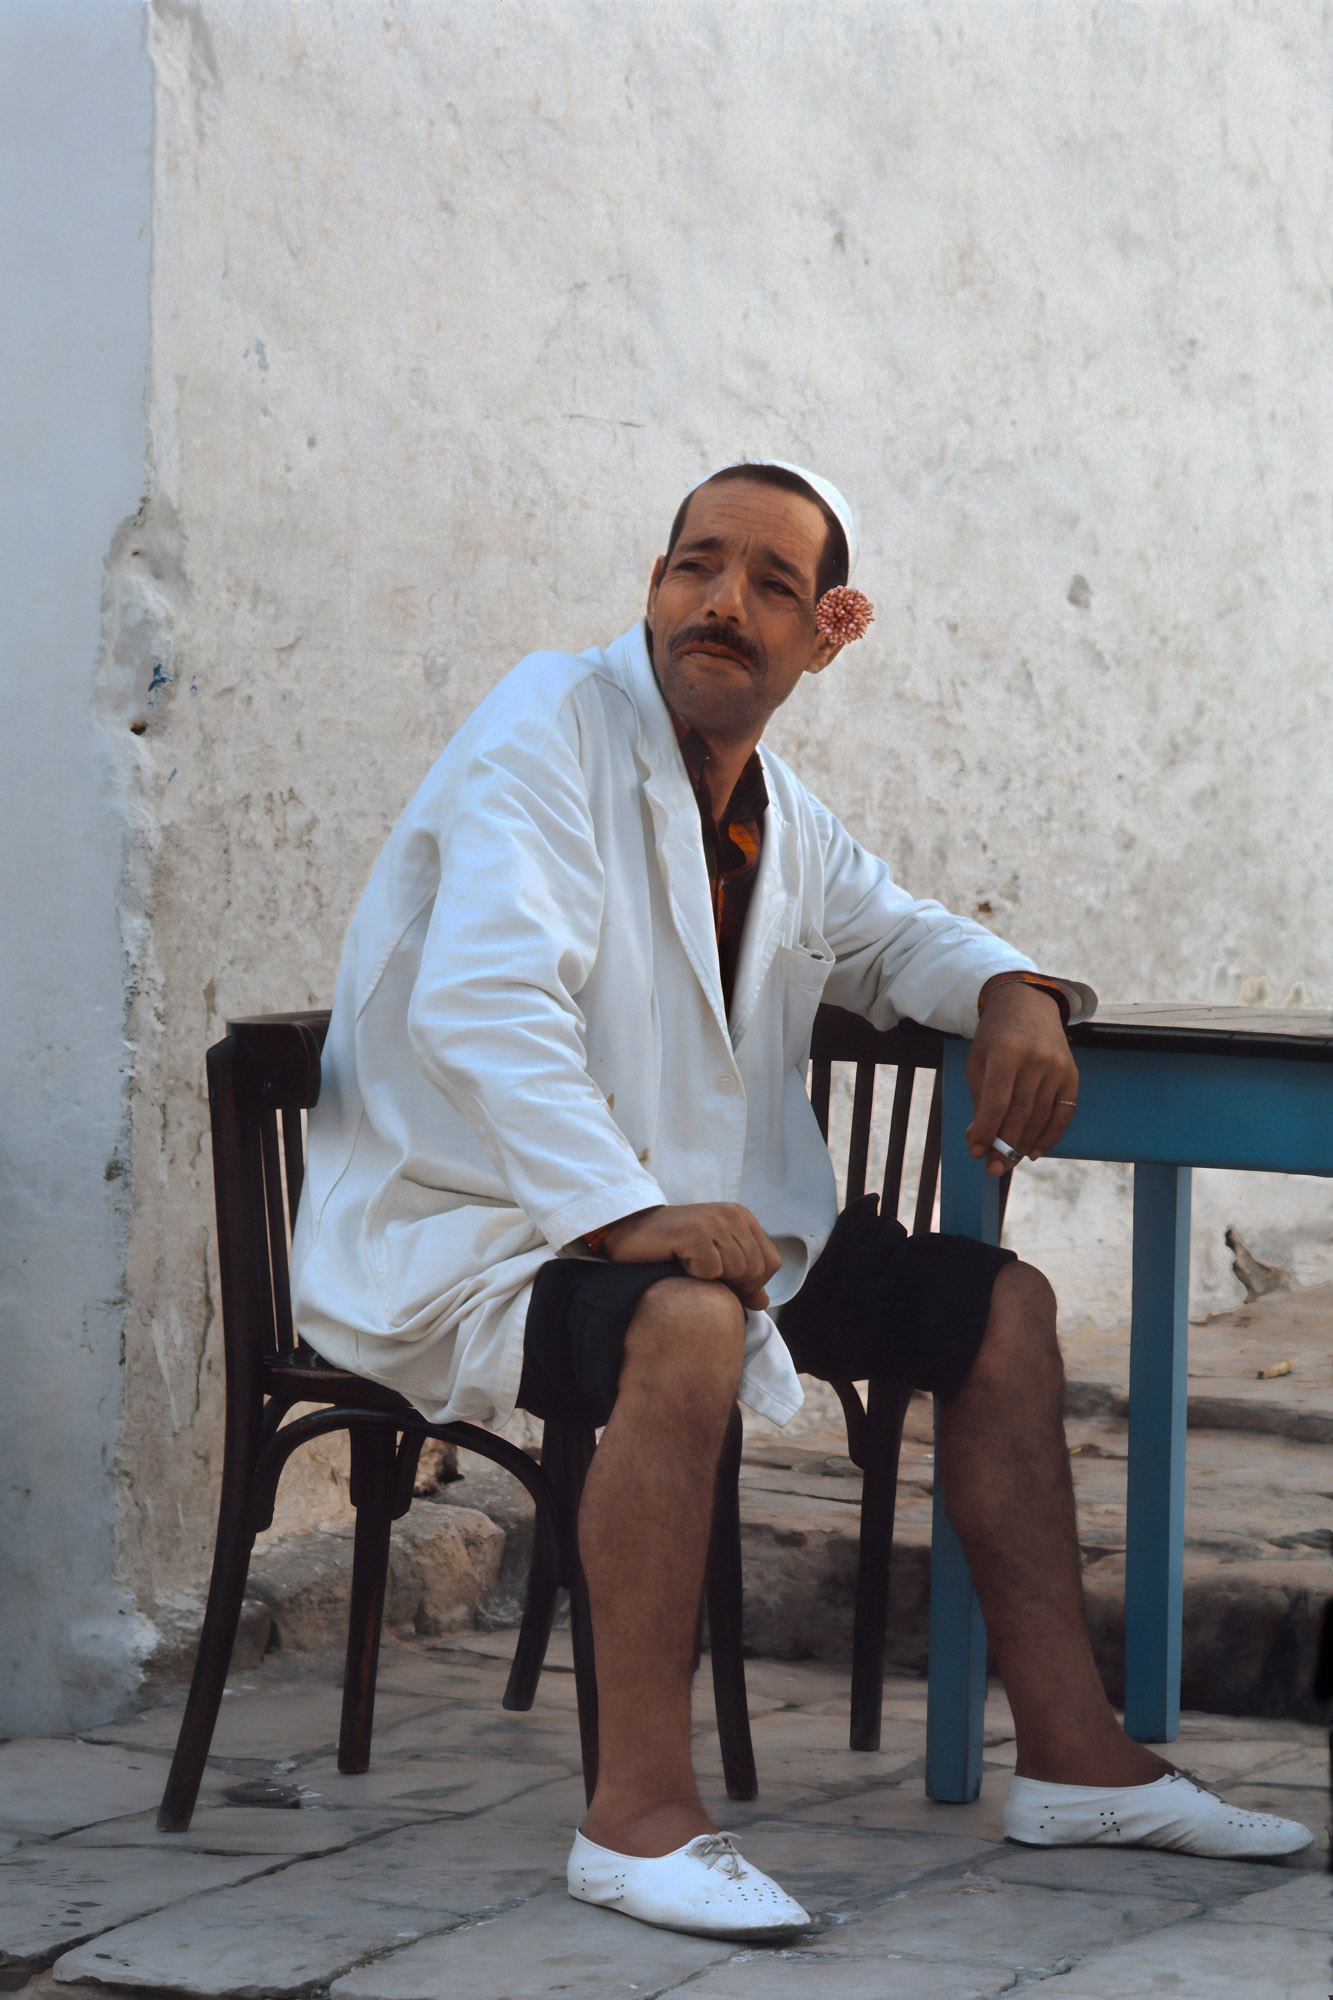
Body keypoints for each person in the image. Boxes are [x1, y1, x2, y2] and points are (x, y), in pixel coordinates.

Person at [291, 460, 1311, 1942]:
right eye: (694, 566)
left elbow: (896, 934)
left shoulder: (779, 816)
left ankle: (1078, 1762)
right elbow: (484, 1002)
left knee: (999, 1312)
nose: (721, 603)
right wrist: (622, 1214)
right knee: (689, 1323)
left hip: (698, 1228)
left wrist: (1012, 990)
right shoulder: (545, 724)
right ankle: (634, 1815)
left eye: (770, 584)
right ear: (652, 587)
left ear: (828, 631)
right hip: (483, 1225)